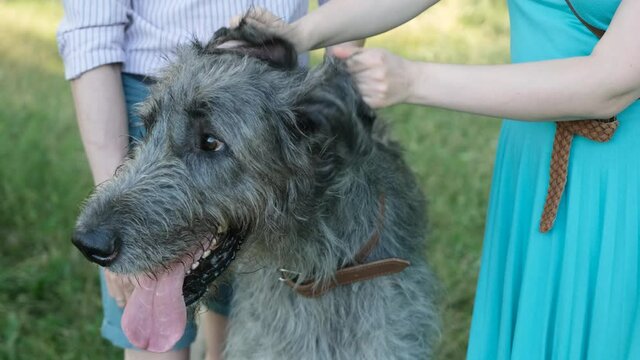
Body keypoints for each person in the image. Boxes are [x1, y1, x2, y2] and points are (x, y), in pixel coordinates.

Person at [245, 0, 640, 358]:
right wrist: (299, 34)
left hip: (624, 179)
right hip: (534, 159)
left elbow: (609, 84)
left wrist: (413, 80)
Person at [56, 1, 362, 359]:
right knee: (155, 341)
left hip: (277, 104)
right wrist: (112, 194)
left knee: (239, 334)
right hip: (154, 84)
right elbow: (90, 30)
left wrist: (336, 90)